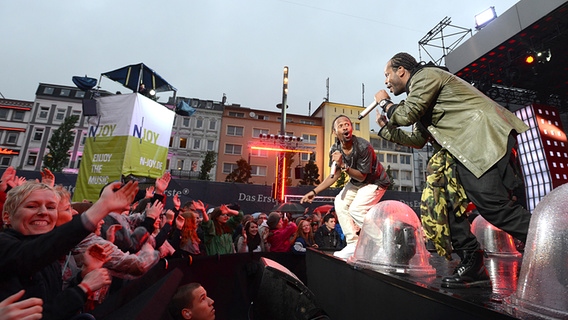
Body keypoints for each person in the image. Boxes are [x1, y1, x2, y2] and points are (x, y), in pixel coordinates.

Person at [374, 52, 532, 289]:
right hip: (464, 148)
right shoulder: (419, 94)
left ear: (402, 71)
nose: (386, 81)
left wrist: (385, 103)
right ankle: (472, 262)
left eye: (387, 75)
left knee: (492, 205)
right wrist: (387, 129)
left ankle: (554, 242)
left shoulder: (425, 77)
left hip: (482, 139)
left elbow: (406, 115)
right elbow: (418, 139)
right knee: (443, 203)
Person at [0, 180, 138, 319]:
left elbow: (54, 299)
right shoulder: (6, 245)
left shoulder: (51, 256)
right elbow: (29, 255)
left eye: (51, 207)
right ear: (7, 217)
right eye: (31, 206)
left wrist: (84, 275)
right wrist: (83, 288)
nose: (43, 212)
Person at [300, 115, 390, 259]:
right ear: (335, 132)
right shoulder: (335, 149)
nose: (345, 127)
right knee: (339, 203)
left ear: (351, 128)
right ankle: (353, 244)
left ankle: (385, 245)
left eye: (347, 124)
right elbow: (334, 176)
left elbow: (362, 176)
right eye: (340, 126)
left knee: (356, 209)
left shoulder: (363, 146)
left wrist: (343, 165)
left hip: (375, 182)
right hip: (356, 182)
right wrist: (314, 191)